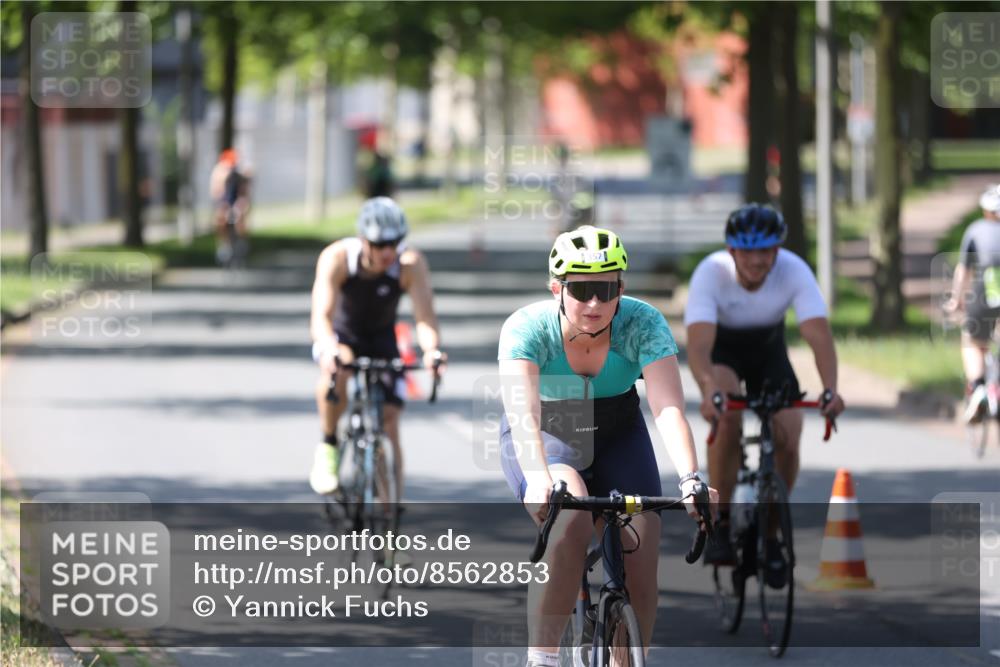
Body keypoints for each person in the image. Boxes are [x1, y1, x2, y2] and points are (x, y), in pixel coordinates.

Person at [497, 225, 717, 666]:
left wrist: (692, 478)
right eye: (581, 289)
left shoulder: (643, 323)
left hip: (618, 426)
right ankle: (541, 659)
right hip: (548, 430)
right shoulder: (527, 328)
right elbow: (525, 415)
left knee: (643, 534)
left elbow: (668, 407)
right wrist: (539, 477)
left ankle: (629, 660)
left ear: (622, 287)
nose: (595, 303)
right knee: (569, 520)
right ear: (557, 289)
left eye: (606, 288)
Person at [684, 203, 845, 574]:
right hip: (722, 353)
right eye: (748, 251)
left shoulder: (793, 270)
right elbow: (698, 347)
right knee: (726, 418)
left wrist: (831, 389)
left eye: (766, 251)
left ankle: (771, 535)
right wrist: (709, 390)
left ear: (777, 250)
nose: (757, 261)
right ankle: (720, 524)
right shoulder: (710, 273)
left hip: (768, 352)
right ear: (732, 252)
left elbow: (818, 335)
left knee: (790, 432)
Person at [309, 197, 446, 496]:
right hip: (344, 337)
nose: (388, 252)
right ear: (363, 239)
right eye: (379, 244)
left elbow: (425, 318)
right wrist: (327, 347)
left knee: (389, 421)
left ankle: (388, 520)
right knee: (338, 372)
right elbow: (321, 315)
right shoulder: (338, 258)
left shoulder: (410, 263)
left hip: (382, 339)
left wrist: (432, 351)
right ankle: (328, 446)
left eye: (394, 243)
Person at [944, 184, 1000, 423]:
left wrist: (956, 301)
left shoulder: (975, 230)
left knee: (972, 339)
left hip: (984, 292)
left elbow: (964, 271)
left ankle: (977, 386)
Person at [209, 149, 251, 264]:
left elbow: (244, 192)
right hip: (223, 201)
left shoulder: (240, 173)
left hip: (236, 200)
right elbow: (216, 192)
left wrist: (241, 202)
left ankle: (241, 242)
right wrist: (223, 205)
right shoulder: (218, 172)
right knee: (220, 218)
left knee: (240, 215)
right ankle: (223, 244)